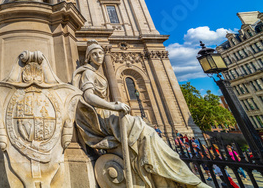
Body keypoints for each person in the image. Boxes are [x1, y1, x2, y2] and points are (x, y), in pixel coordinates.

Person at [71, 40, 210, 188]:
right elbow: (88, 96)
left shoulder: (96, 73)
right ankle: (178, 176)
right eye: (94, 54)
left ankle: (171, 175)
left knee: (147, 133)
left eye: (100, 53)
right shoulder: (88, 72)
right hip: (100, 115)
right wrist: (113, 105)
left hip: (107, 113)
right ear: (88, 57)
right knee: (143, 130)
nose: (99, 56)